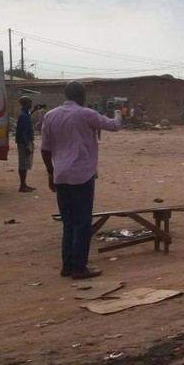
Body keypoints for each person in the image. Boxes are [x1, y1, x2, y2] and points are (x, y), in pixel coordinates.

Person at [40, 81, 122, 280]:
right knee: (82, 223)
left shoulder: (50, 115)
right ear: (81, 95)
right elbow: (113, 126)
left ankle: (68, 265)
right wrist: (119, 113)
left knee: (68, 223)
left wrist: (51, 173)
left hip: (60, 175)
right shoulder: (86, 114)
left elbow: (45, 149)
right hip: (82, 175)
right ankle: (80, 268)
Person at [15, 96, 36, 192]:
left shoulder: (25, 114)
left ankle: (24, 184)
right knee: (23, 163)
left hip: (26, 141)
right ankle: (22, 185)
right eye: (29, 103)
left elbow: (28, 115)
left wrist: (35, 110)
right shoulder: (23, 116)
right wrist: (27, 145)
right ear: (25, 104)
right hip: (24, 142)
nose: (31, 105)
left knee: (26, 163)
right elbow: (22, 132)